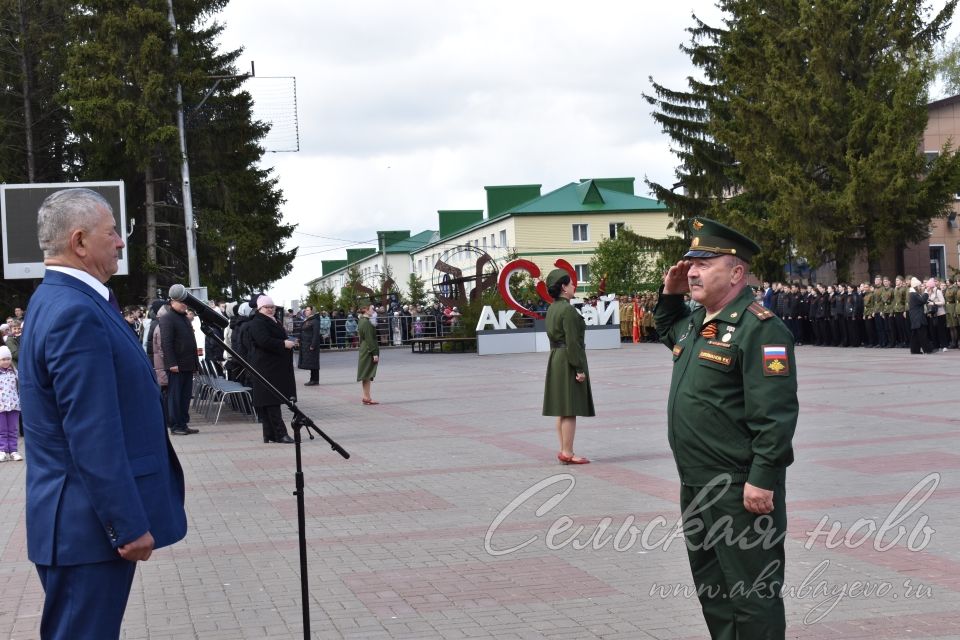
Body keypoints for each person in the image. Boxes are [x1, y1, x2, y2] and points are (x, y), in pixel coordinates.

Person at [19, 188, 186, 639]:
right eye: (111, 233)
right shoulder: (75, 311)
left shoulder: (59, 299)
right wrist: (127, 525)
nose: (120, 242)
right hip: (86, 529)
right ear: (79, 242)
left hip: (80, 526)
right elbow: (92, 432)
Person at [654, 217, 797, 640]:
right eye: (690, 262)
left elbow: (776, 414)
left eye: (704, 262)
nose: (692, 270)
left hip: (740, 490)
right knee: (713, 591)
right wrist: (671, 294)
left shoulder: (761, 327)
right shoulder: (702, 322)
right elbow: (667, 329)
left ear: (736, 273)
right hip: (697, 484)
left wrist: (762, 479)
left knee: (753, 594)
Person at [542, 269, 594, 465]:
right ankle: (568, 452)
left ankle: (564, 449)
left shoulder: (552, 308)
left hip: (556, 357)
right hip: (567, 359)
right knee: (570, 408)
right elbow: (573, 342)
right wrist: (579, 369)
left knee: (562, 408)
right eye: (571, 283)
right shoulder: (568, 310)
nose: (574, 286)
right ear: (563, 287)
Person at [247, 295, 296, 443]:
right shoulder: (257, 322)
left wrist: (288, 341)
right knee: (271, 400)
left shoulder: (271, 320)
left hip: (273, 366)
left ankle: (269, 434)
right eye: (266, 307)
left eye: (272, 307)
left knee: (270, 401)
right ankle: (280, 434)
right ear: (259, 308)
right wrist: (283, 344)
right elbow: (263, 341)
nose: (270, 309)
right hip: (265, 367)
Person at [160, 295, 200, 436]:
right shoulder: (167, 318)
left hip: (188, 364)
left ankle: (183, 423)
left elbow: (191, 342)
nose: (184, 305)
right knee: (175, 397)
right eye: (180, 302)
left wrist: (195, 363)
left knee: (185, 397)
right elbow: (166, 342)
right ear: (172, 302)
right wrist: (171, 363)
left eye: (185, 302)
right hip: (176, 365)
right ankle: (175, 425)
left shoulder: (184, 318)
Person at [0, 345, 21, 462]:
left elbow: (20, 385)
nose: (6, 361)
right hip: (1, 406)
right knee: (2, 430)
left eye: (8, 359)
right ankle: (2, 450)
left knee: (13, 429)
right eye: (3, 359)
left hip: (13, 405)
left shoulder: (14, 372)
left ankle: (13, 450)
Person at [357, 302, 380, 404]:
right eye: (371, 309)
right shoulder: (366, 322)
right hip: (368, 350)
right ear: (366, 310)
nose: (373, 310)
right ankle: (367, 397)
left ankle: (367, 396)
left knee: (366, 374)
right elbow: (369, 339)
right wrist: (374, 353)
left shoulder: (362, 320)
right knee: (367, 373)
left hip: (364, 348)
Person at [298, 306, 320, 385]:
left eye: (307, 310)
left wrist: (313, 345)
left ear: (312, 311)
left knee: (313, 362)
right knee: (311, 362)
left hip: (311, 344)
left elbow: (316, 334)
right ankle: (314, 379)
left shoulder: (315, 321)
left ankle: (314, 380)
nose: (305, 311)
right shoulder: (308, 320)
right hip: (306, 344)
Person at [908, 276, 930, 354]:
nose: (921, 287)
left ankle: (914, 350)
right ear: (916, 286)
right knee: (922, 334)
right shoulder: (914, 294)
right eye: (919, 286)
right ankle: (927, 349)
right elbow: (922, 300)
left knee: (915, 335)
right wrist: (926, 292)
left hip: (914, 317)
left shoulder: (912, 294)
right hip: (918, 317)